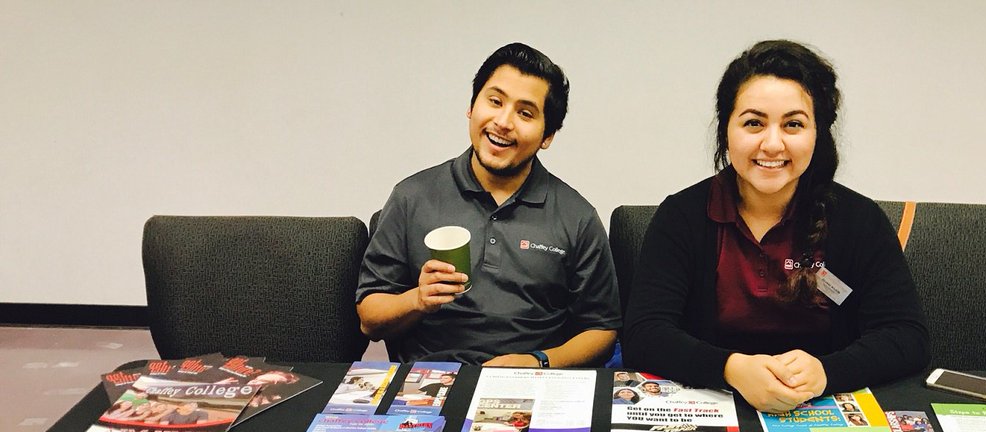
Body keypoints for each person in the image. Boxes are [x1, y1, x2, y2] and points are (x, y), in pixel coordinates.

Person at [622, 40, 929, 413]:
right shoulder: (682, 216)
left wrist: (826, 373)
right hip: (717, 405)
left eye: (793, 125)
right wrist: (730, 368)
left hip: (821, 409)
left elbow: (906, 337)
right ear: (726, 130)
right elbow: (644, 334)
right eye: (753, 123)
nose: (772, 144)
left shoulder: (858, 220)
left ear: (817, 134)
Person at [356, 43, 621, 367]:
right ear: (472, 107)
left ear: (547, 135)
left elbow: (602, 330)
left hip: (532, 388)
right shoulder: (413, 197)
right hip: (428, 390)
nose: (503, 121)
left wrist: (536, 361)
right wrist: (418, 299)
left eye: (525, 113)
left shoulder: (576, 216)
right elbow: (369, 319)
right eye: (494, 101)